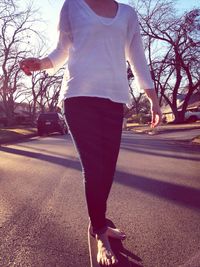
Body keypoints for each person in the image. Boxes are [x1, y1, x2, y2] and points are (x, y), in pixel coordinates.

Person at [19, 0, 162, 265]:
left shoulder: (128, 14)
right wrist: (40, 64)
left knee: (107, 169)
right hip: (78, 98)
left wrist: (153, 99)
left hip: (114, 100)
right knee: (94, 168)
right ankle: (99, 231)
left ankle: (99, 222)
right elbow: (62, 51)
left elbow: (138, 57)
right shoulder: (72, 5)